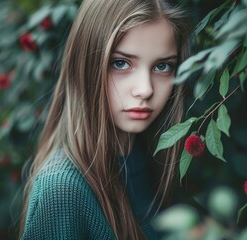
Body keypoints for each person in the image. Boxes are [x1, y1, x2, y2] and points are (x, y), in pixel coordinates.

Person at [19, 0, 191, 239]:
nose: (145, 89)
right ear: (86, 65)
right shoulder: (61, 191)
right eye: (121, 63)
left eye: (162, 66)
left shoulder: (150, 162)